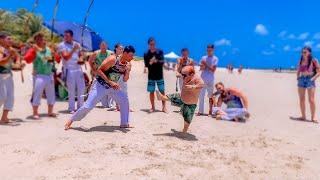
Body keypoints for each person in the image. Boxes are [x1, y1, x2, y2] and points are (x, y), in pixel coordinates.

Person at [64, 45, 136, 130]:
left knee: (124, 100)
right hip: (100, 85)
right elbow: (99, 70)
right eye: (131, 55)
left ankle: (124, 123)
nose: (132, 57)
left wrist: (127, 71)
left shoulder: (128, 64)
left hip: (113, 88)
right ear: (125, 53)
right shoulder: (113, 59)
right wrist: (110, 81)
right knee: (88, 106)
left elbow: (125, 79)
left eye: (133, 55)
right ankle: (71, 120)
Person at [156, 66, 204, 133]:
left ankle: (185, 130)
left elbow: (202, 85)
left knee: (187, 119)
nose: (183, 76)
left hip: (190, 103)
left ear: (192, 74)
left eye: (184, 75)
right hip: (182, 98)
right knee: (173, 96)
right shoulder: (185, 76)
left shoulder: (197, 78)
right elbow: (177, 73)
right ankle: (161, 97)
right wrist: (178, 70)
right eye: (182, 74)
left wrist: (194, 86)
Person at [24, 33, 57, 119]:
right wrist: (34, 52)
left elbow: (53, 60)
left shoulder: (49, 49)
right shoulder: (33, 49)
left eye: (42, 39)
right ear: (35, 40)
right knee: (37, 94)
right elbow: (27, 59)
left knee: (51, 94)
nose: (40, 40)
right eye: (38, 39)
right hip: (39, 75)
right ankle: (35, 112)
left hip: (49, 74)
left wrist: (54, 55)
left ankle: (50, 112)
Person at [58, 30, 85, 114]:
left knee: (81, 88)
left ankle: (81, 107)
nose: (65, 37)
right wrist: (73, 49)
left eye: (67, 36)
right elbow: (65, 57)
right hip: (69, 69)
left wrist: (81, 58)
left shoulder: (77, 44)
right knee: (71, 89)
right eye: (64, 36)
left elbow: (81, 54)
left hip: (78, 68)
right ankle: (71, 108)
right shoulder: (62, 45)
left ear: (72, 36)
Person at [296, 46, 320, 123]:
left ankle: (313, 117)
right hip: (301, 79)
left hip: (310, 80)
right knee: (302, 99)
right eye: (302, 52)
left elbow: (319, 72)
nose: (303, 54)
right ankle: (303, 116)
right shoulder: (301, 60)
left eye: (305, 52)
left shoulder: (314, 60)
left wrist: (313, 79)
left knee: (311, 100)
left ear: (309, 52)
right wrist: (298, 77)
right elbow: (298, 69)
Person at [144, 37, 167, 113]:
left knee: (162, 91)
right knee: (151, 92)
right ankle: (153, 107)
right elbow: (146, 65)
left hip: (159, 75)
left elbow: (163, 61)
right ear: (148, 44)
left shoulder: (159, 51)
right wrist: (150, 63)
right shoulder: (146, 54)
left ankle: (164, 107)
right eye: (151, 44)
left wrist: (156, 61)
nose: (152, 45)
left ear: (155, 44)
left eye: (153, 44)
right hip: (151, 76)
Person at [88, 41, 114, 108]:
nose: (103, 47)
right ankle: (104, 103)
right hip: (100, 74)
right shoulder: (96, 53)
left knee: (110, 88)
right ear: (100, 46)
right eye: (102, 45)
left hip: (109, 74)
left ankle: (110, 104)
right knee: (102, 88)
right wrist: (93, 70)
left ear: (107, 46)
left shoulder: (111, 53)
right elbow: (90, 61)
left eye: (105, 46)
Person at [0, 32, 18, 124]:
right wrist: (10, 55)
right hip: (1, 75)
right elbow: (1, 62)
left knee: (10, 97)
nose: (11, 40)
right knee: (2, 97)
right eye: (8, 38)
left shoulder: (9, 49)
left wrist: (19, 66)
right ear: (1, 40)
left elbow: (11, 64)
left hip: (8, 75)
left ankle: (4, 118)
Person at [197, 44, 218, 116]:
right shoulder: (203, 57)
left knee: (210, 96)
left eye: (210, 50)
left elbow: (213, 70)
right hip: (202, 79)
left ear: (213, 50)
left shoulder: (215, 58)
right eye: (208, 50)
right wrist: (202, 66)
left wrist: (205, 64)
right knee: (201, 96)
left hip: (210, 80)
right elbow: (201, 69)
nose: (209, 51)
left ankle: (210, 111)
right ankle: (200, 111)